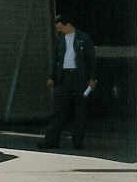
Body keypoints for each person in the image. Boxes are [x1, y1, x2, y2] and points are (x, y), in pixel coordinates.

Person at [38, 14, 97, 149]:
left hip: (79, 77)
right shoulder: (60, 39)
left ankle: (78, 141)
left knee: (80, 110)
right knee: (58, 109)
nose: (59, 31)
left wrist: (92, 78)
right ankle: (51, 140)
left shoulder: (83, 39)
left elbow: (91, 60)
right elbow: (56, 59)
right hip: (63, 77)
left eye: (61, 28)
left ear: (68, 25)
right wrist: (52, 76)